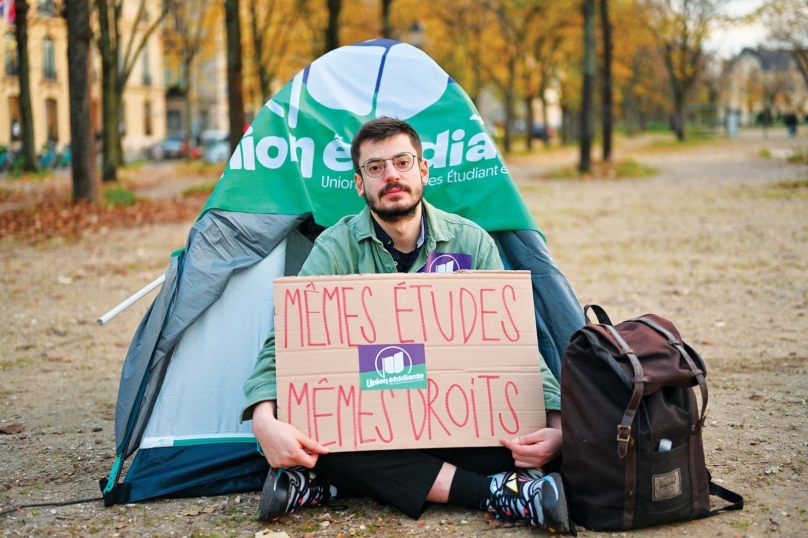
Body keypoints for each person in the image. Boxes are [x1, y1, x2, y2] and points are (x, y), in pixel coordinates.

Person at [241, 118, 570, 532]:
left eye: (402, 162)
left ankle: (323, 485)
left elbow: (516, 345)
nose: (391, 176)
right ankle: (497, 492)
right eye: (375, 168)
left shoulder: (472, 242)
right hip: (368, 423)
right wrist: (264, 422)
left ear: (423, 170)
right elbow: (286, 341)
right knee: (318, 436)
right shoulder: (335, 248)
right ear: (359, 184)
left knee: (515, 443)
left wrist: (557, 428)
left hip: (453, 421)